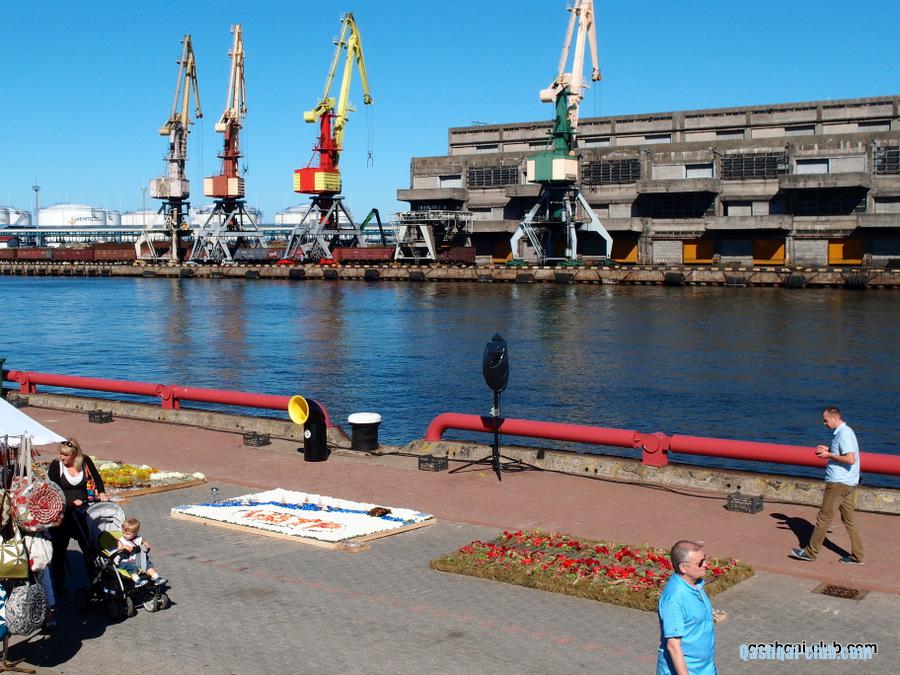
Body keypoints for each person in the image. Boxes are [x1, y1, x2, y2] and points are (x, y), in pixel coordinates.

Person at [790, 406, 864, 564]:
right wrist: (830, 449)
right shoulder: (846, 432)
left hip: (838, 484)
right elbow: (845, 454)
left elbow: (850, 459)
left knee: (823, 518)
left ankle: (810, 552)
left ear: (835, 418)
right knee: (849, 520)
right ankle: (858, 556)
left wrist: (829, 454)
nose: (824, 423)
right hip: (849, 483)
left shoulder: (844, 434)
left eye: (826, 420)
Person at [47, 438, 108, 591]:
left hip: (82, 512)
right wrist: (70, 502)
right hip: (63, 515)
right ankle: (59, 584)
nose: (62, 457)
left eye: (65, 455)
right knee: (59, 550)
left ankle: (95, 581)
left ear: (74, 454)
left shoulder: (85, 461)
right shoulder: (56, 466)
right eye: (61, 454)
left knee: (89, 548)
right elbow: (53, 491)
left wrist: (101, 492)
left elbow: (97, 478)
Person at [657, 540, 717, 675]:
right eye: (700, 562)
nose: (706, 564)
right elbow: (673, 646)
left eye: (705, 558)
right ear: (683, 567)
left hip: (705, 668)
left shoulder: (696, 585)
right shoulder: (674, 599)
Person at [99, 517, 166, 587]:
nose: (124, 535)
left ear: (135, 533)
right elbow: (118, 550)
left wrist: (146, 545)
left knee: (146, 563)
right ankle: (137, 580)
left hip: (137, 559)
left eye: (128, 534)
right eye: (123, 532)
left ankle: (156, 577)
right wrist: (123, 547)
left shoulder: (139, 539)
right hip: (124, 561)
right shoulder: (121, 541)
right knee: (132, 566)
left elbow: (145, 546)